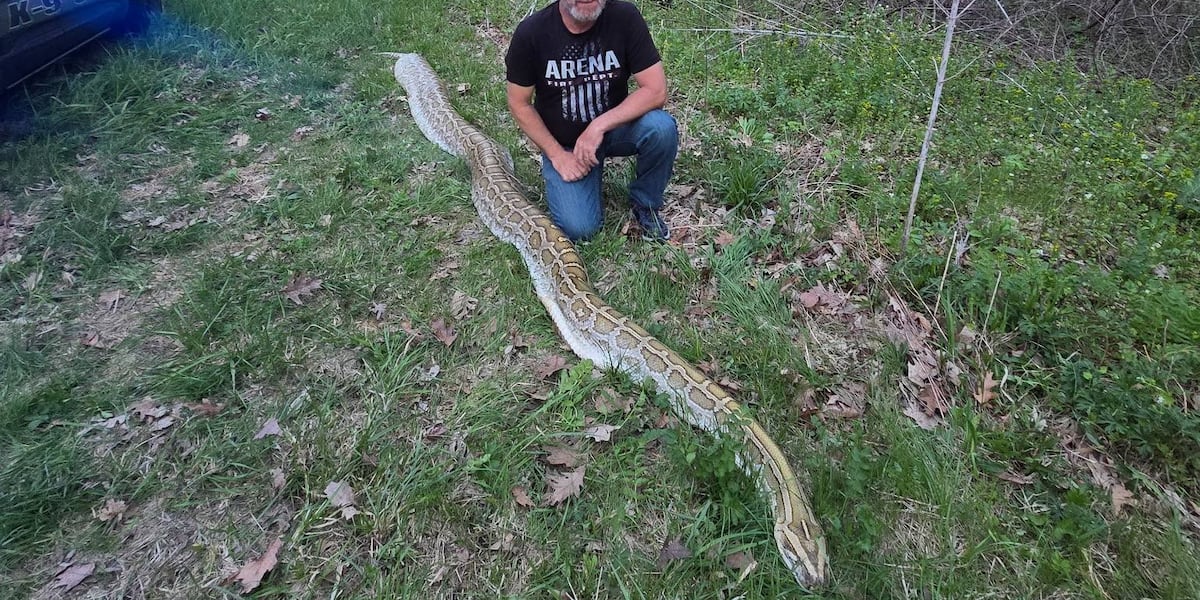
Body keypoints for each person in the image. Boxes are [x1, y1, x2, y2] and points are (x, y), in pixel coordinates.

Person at [505, 0, 678, 242]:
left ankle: (645, 205)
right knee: (581, 229)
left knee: (661, 128)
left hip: (615, 130)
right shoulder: (532, 33)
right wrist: (556, 155)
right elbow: (519, 103)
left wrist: (599, 126)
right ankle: (576, 177)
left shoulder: (624, 17)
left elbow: (656, 90)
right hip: (566, 144)